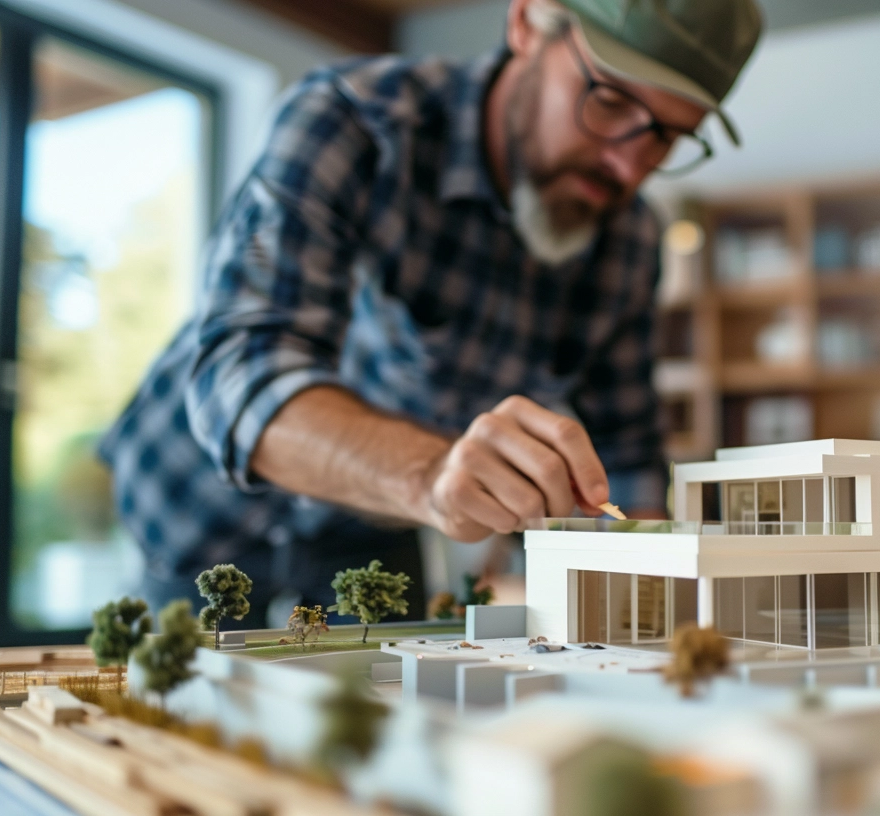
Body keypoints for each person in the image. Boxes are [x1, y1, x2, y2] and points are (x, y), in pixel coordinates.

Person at [98, 0, 763, 624]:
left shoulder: (629, 243)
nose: (628, 162)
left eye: (670, 137)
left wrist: (651, 614)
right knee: (177, 718)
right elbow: (241, 373)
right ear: (529, 23)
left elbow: (628, 454)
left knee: (386, 715)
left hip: (373, 523)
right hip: (199, 500)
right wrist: (435, 476)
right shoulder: (355, 120)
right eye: (611, 100)